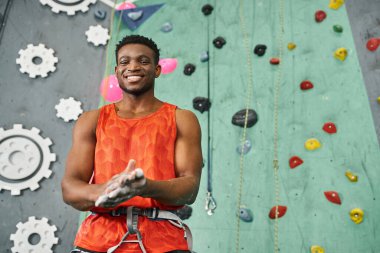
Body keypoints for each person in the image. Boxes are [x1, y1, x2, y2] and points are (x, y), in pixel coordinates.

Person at [61, 35, 203, 253]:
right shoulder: (91, 120)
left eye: (143, 61)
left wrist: (146, 187)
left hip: (164, 241)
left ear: (157, 70)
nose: (133, 66)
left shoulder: (181, 118)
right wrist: (104, 191)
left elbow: (190, 189)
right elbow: (70, 188)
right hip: (98, 240)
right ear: (117, 71)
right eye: (125, 62)